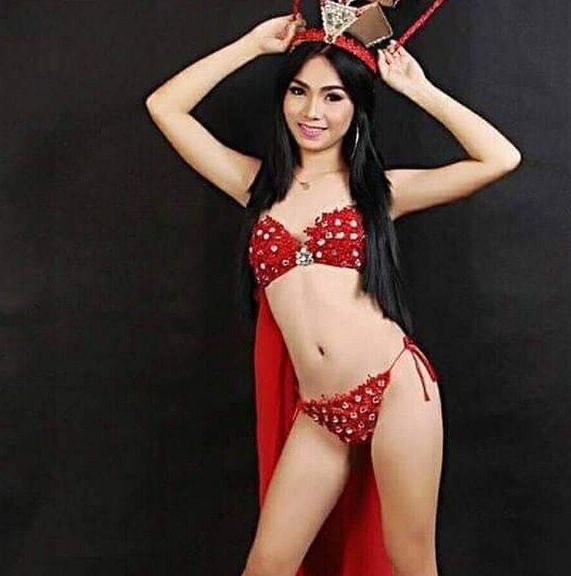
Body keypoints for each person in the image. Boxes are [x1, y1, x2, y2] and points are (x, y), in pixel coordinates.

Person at [145, 8, 520, 575]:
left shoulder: (378, 193)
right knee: (268, 566)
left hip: (395, 389)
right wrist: (251, 45)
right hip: (321, 413)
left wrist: (419, 89)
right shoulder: (256, 187)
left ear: (357, 108)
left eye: (333, 97)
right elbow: (164, 107)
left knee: (411, 562)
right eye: (299, 92)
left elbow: (500, 158)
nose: (312, 111)